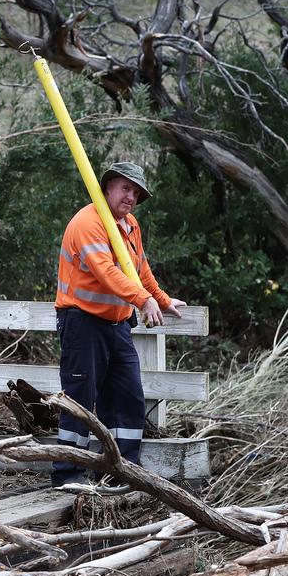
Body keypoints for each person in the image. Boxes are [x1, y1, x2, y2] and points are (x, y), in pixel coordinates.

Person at [51, 162, 187, 488]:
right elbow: (106, 272)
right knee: (79, 397)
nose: (131, 197)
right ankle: (67, 475)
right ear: (108, 186)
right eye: (126, 189)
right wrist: (143, 300)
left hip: (117, 324)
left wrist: (162, 298)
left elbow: (139, 268)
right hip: (82, 321)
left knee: (127, 397)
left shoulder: (129, 224)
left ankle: (121, 474)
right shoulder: (88, 222)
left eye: (136, 193)